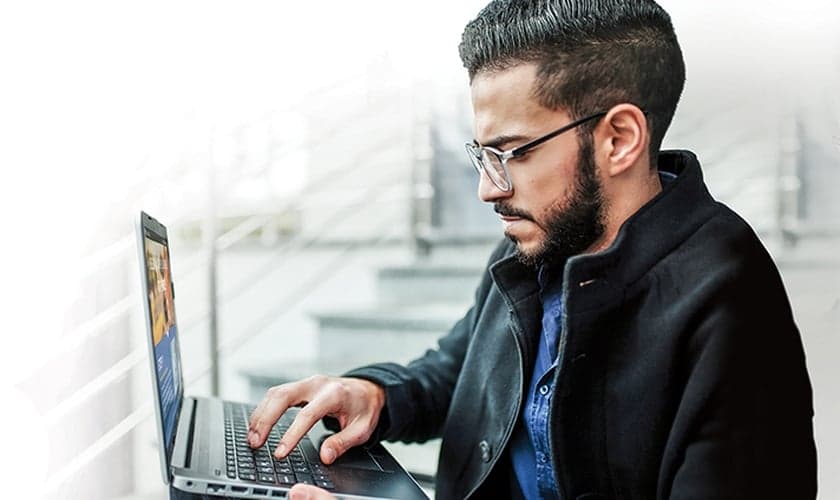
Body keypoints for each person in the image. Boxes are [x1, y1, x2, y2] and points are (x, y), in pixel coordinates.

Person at [247, 1, 818, 498]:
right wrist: (373, 393)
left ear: (619, 139)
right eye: (482, 154)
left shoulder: (733, 308)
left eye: (514, 153)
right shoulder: (536, 241)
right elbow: (457, 372)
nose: (488, 189)